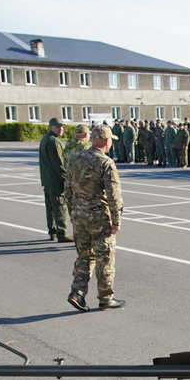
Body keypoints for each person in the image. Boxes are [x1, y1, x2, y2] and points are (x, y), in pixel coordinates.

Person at [65, 124, 125, 311]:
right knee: (105, 256)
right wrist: (116, 221)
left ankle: (77, 292)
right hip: (98, 217)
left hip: (79, 215)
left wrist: (73, 212)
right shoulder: (106, 162)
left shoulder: (75, 159)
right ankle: (106, 297)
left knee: (84, 255)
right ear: (107, 141)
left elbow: (67, 189)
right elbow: (114, 195)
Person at [39, 118, 72, 242]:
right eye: (58, 127)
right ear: (51, 127)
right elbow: (59, 164)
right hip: (55, 180)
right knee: (59, 207)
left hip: (47, 180)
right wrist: (67, 180)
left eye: (62, 127)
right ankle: (61, 233)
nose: (61, 129)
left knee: (50, 207)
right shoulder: (54, 141)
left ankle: (52, 231)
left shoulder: (45, 139)